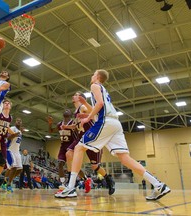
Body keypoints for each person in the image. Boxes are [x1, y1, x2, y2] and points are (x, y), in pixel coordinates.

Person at [57, 69, 171, 200]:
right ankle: (159, 185)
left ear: (98, 77)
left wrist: (88, 118)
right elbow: (100, 106)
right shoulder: (103, 89)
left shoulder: (94, 85)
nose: (92, 76)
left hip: (106, 122)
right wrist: (86, 106)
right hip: (115, 124)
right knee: (125, 158)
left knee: (78, 148)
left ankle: (71, 187)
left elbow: (100, 105)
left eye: (94, 74)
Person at [57, 91, 115, 196]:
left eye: (76, 94)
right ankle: (71, 184)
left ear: (81, 98)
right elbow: (76, 125)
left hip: (92, 138)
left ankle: (108, 179)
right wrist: (67, 127)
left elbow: (96, 114)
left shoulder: (83, 106)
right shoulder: (76, 111)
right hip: (80, 138)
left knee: (95, 166)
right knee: (68, 154)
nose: (73, 96)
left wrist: (87, 115)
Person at [47, 109, 77, 189]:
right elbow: (51, 131)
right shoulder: (59, 124)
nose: (66, 110)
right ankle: (63, 183)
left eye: (68, 110)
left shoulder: (73, 122)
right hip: (63, 145)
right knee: (60, 163)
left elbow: (77, 129)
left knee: (74, 166)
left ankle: (85, 179)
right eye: (65, 110)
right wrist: (50, 124)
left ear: (71, 114)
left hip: (71, 145)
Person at [3, 117, 23, 192]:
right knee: (13, 168)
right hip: (10, 150)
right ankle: (8, 184)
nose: (19, 121)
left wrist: (18, 133)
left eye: (20, 121)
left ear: (21, 123)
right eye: (17, 120)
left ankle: (8, 180)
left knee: (20, 169)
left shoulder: (20, 132)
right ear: (15, 122)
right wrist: (15, 134)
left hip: (17, 151)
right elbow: (8, 138)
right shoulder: (12, 128)